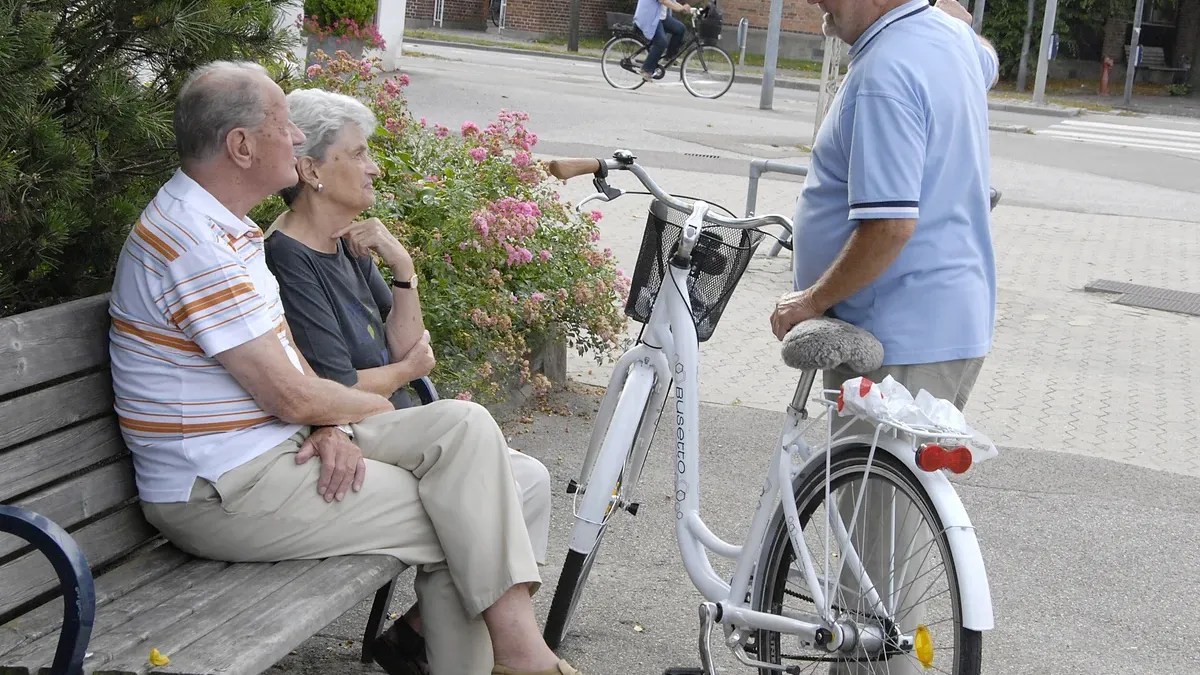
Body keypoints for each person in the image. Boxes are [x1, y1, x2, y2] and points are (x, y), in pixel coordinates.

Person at [107, 60, 583, 675]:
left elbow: (290, 372)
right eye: (284, 124)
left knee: (462, 427)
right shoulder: (194, 245)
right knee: (465, 517)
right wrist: (358, 408)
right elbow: (293, 394)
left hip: (275, 454)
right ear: (242, 145)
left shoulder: (226, 231)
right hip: (222, 490)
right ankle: (520, 658)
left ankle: (514, 656)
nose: (298, 138)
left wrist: (330, 424)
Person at [259, 87, 553, 675]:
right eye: (359, 153)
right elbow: (341, 382)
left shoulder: (348, 247)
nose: (373, 167)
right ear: (312, 168)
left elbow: (405, 342)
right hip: (345, 429)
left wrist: (403, 269)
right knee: (468, 471)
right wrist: (406, 373)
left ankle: (419, 640)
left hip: (390, 423)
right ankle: (508, 656)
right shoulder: (287, 256)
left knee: (529, 480)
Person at [768, 0, 998, 672]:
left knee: (876, 585)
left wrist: (810, 300)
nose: (816, 1)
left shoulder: (888, 69)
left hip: (898, 338)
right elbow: (987, 60)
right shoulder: (948, 40)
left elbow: (888, 226)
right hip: (947, 321)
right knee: (882, 552)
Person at [633, 0, 697, 82]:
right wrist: (679, 9)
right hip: (649, 17)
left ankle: (669, 57)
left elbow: (672, 1)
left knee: (680, 29)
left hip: (661, 17)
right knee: (661, 43)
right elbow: (663, 1)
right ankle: (646, 69)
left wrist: (685, 8)